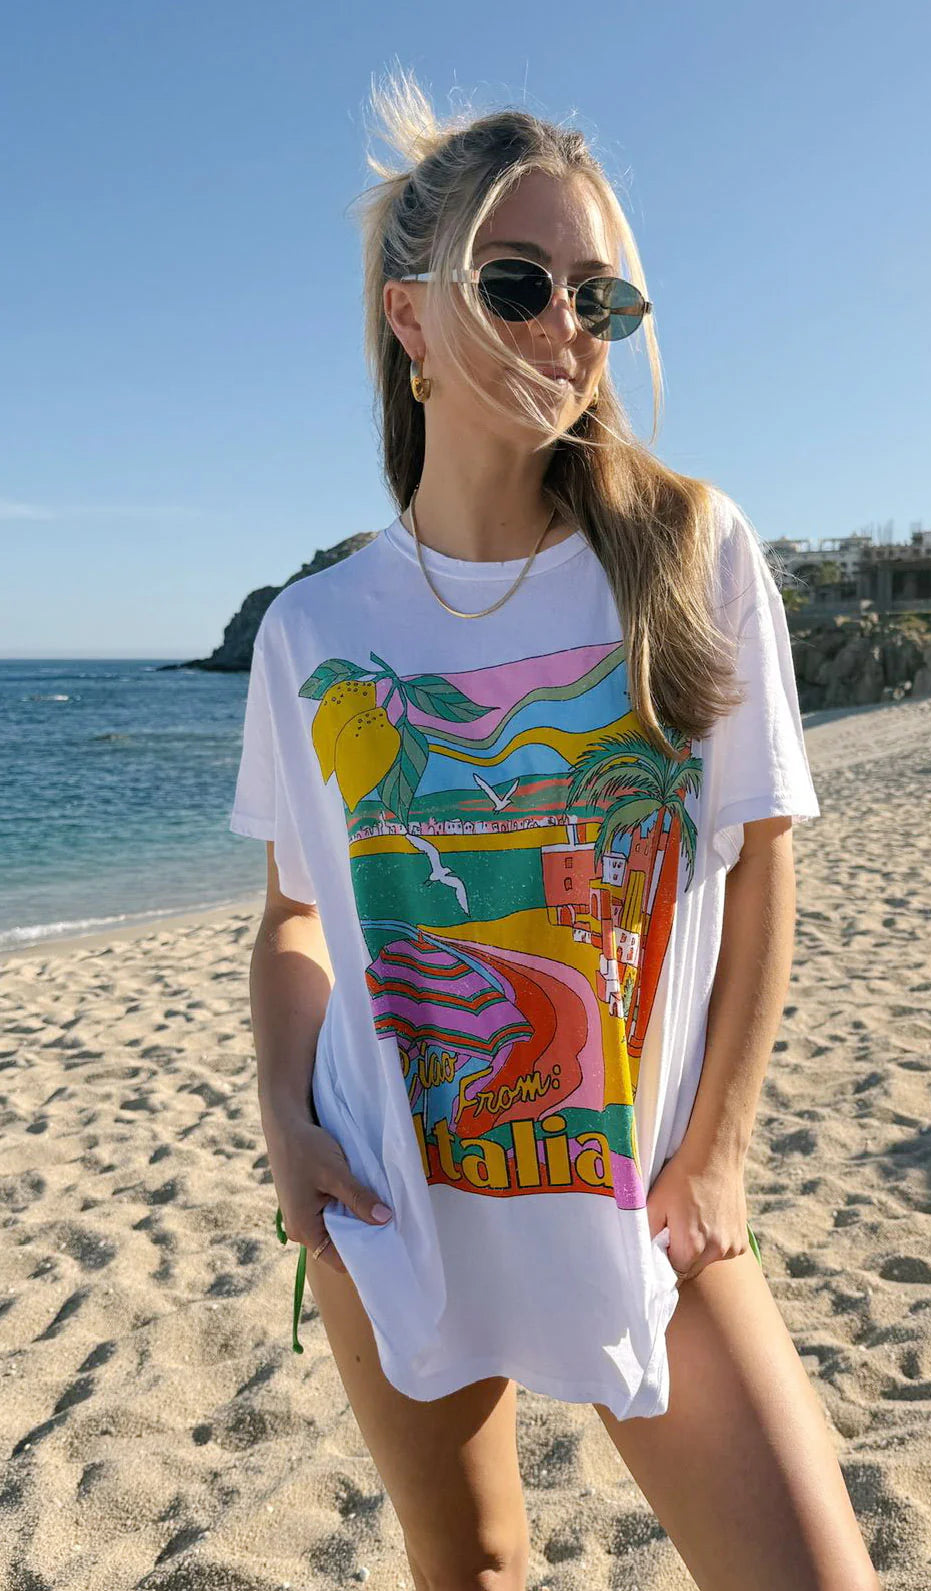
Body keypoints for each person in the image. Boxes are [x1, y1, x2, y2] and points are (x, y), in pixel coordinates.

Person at [229, 66, 880, 1591]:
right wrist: (285, 1122)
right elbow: (295, 916)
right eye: (516, 284)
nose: (565, 329)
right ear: (409, 320)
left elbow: (759, 858)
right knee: (472, 1568)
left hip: (649, 1193)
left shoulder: (687, 551)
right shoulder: (314, 629)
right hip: (395, 1195)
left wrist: (715, 1155)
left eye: (601, 299)